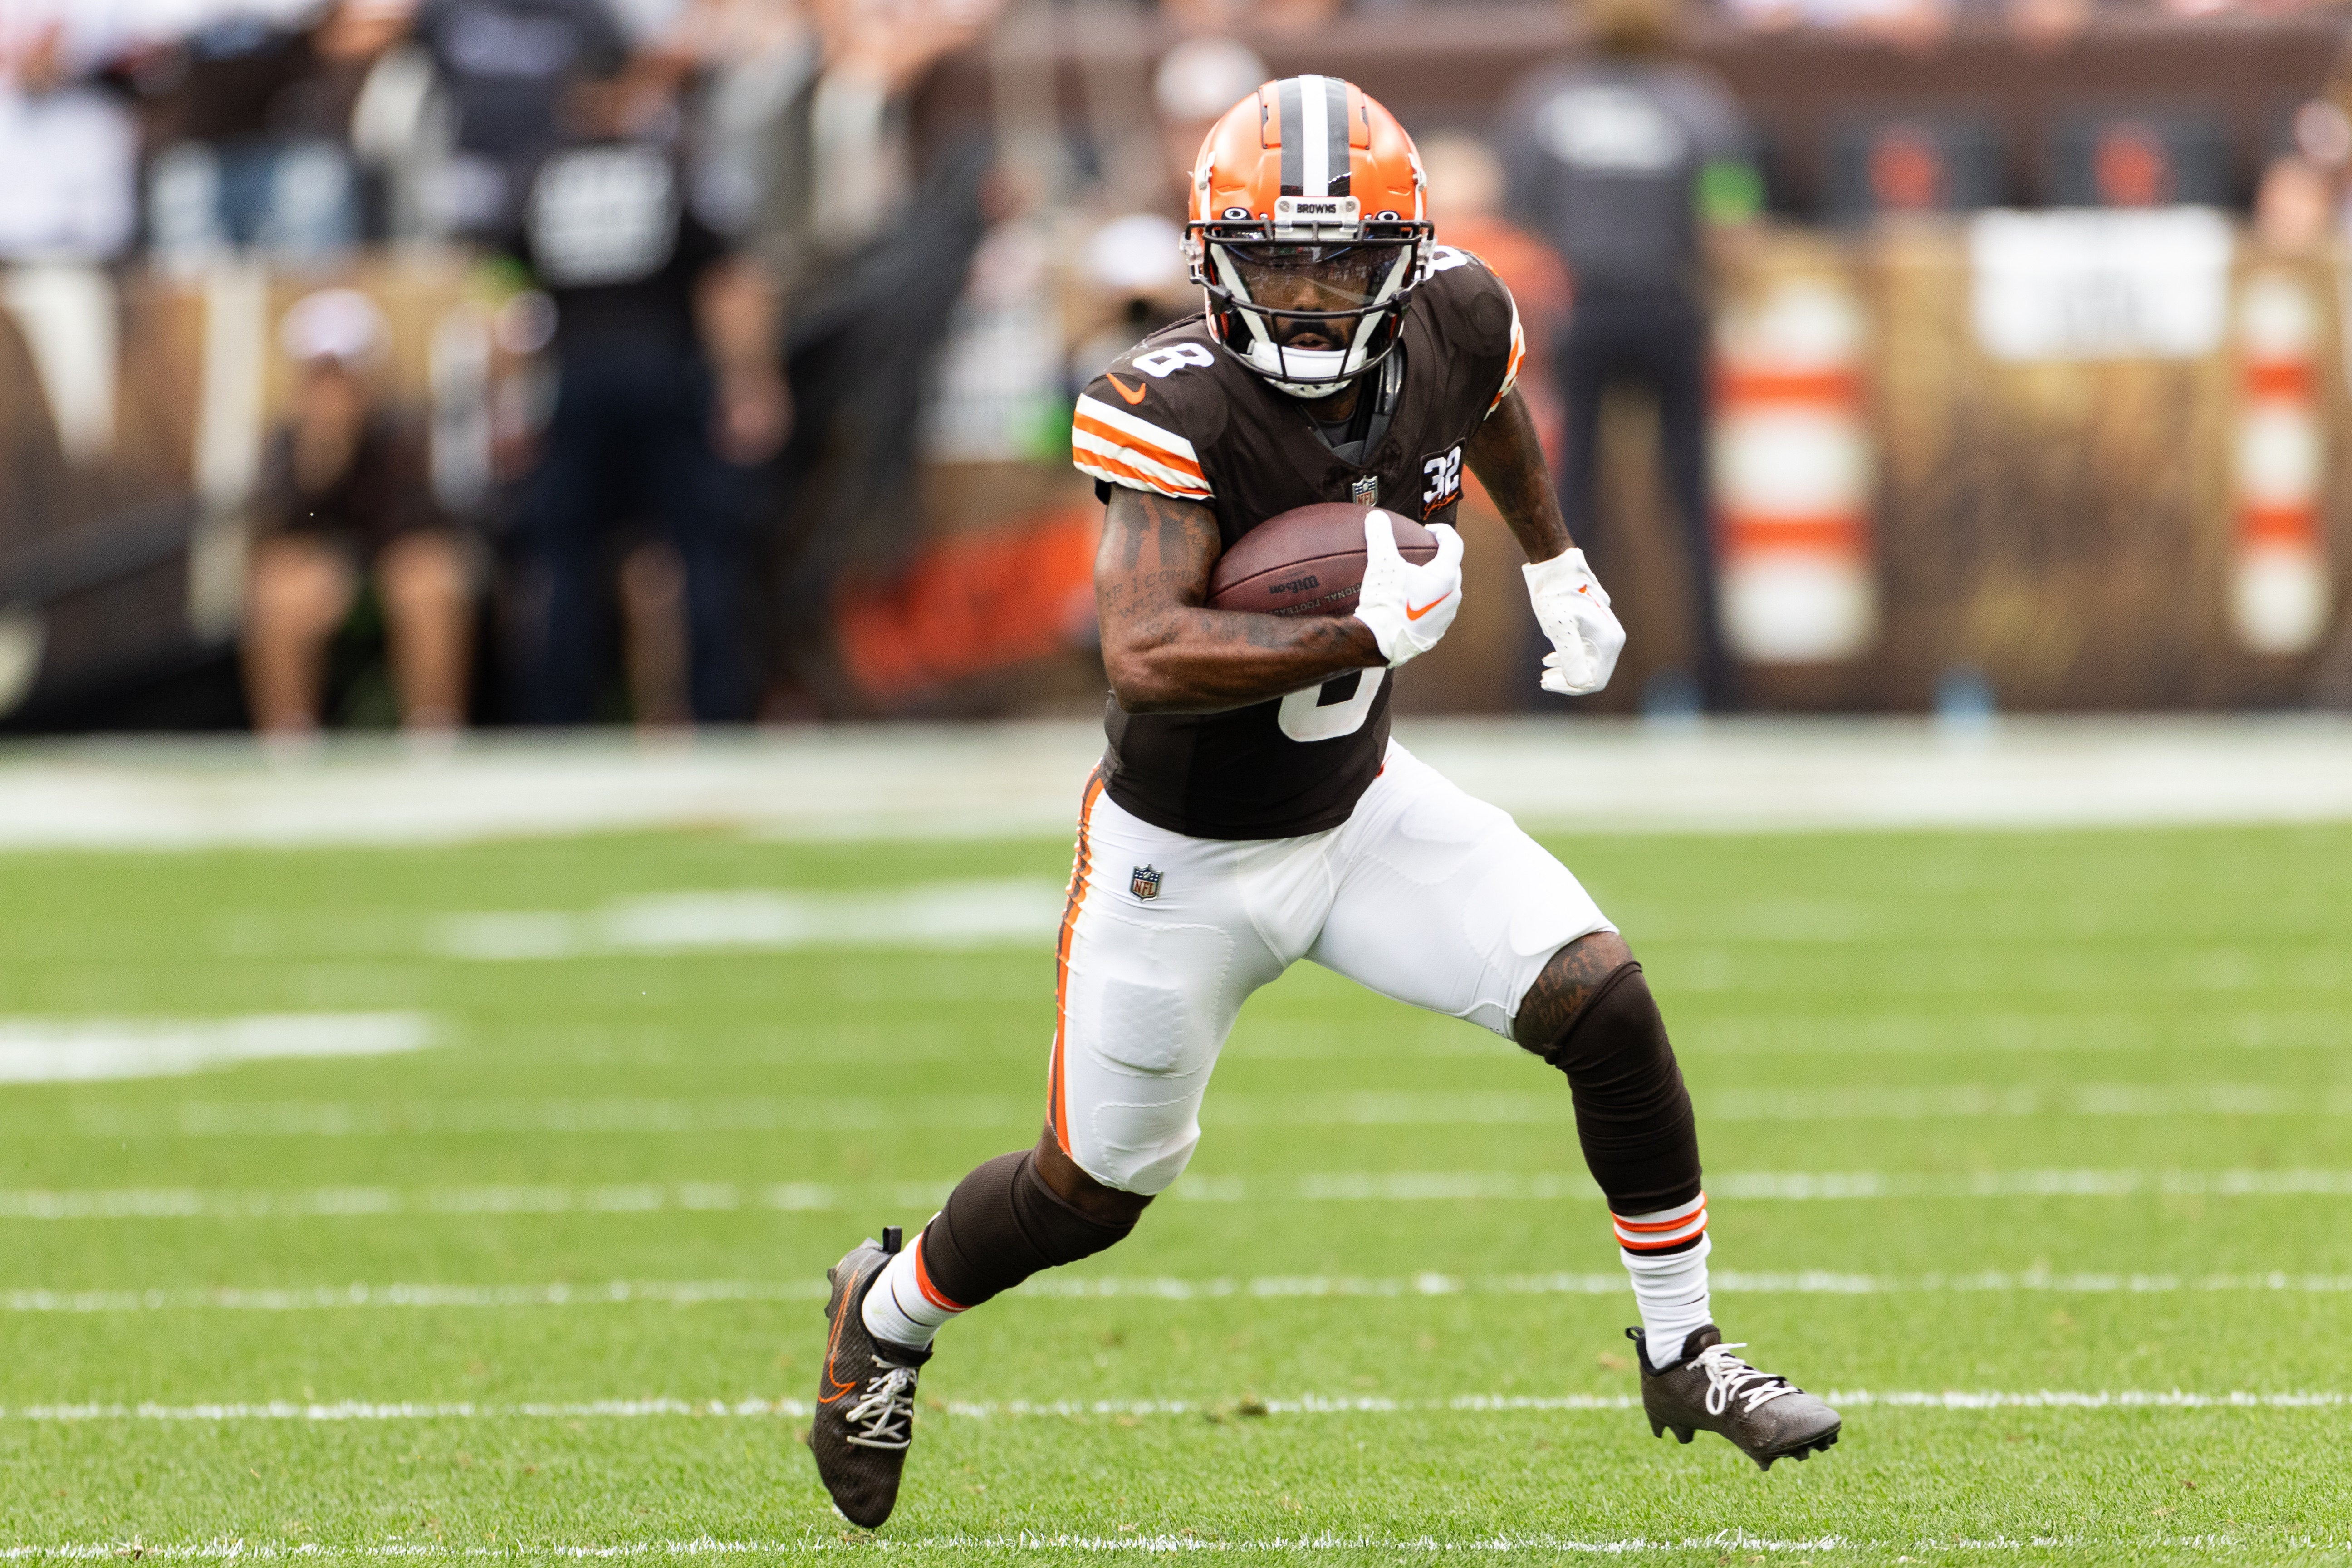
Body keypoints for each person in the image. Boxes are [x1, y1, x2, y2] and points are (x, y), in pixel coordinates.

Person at [807, 76, 1839, 1530]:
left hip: (1356, 814)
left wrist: (1556, 564)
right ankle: (892, 1309)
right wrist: (1360, 630)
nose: (1303, 294)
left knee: (1603, 1000)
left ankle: (1685, 1351)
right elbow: (1146, 650)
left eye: (1340, 262)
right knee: (1089, 1190)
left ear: (1404, 263)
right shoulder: (1168, 404)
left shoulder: (1458, 316)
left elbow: (1487, 412)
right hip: (1182, 863)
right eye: (1275, 259)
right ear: (1211, 261)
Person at [1502, 0, 1760, 711]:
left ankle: (1551, 686)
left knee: (1566, 507)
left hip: (1583, 312)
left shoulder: (1548, 101)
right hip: (1670, 306)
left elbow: (1520, 205)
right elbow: (1731, 211)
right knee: (1692, 502)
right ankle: (1719, 684)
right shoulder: (1697, 103)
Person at [244, 289, 473, 738]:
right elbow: (282, 530)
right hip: (322, 576)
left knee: (429, 582)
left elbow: (422, 524)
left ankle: (434, 734)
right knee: (277, 591)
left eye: (343, 375)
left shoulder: (400, 437)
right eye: (321, 376)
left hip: (391, 568)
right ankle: (288, 739)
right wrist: (319, 469)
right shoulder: (288, 446)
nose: (333, 391)